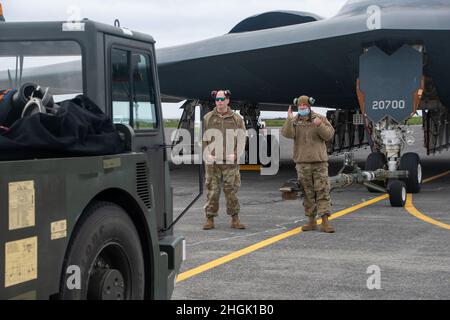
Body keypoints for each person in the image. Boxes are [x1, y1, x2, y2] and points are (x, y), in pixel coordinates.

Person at [281, 95, 336, 233]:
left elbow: (329, 135)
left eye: (305, 106)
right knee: (307, 193)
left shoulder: (319, 118)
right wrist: (288, 119)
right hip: (302, 163)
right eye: (300, 106)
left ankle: (325, 221)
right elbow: (287, 134)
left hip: (319, 162)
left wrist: (319, 125)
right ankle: (311, 221)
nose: (302, 108)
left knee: (322, 191)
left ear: (309, 106)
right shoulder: (294, 121)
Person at [202, 90, 246, 230]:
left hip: (229, 162)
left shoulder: (236, 119)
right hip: (213, 162)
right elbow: (203, 139)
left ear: (227, 100)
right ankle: (210, 219)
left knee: (231, 191)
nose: (219, 102)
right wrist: (206, 154)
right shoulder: (208, 117)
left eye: (222, 99)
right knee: (212, 191)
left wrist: (236, 154)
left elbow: (242, 138)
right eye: (217, 99)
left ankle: (235, 219)